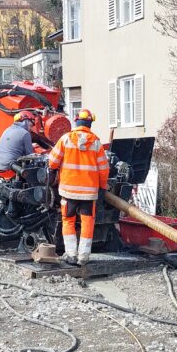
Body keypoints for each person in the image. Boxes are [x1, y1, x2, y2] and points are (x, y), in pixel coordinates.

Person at [47, 108, 109, 266]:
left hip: (68, 191)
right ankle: (83, 257)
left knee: (68, 220)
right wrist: (102, 188)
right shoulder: (96, 143)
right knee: (88, 223)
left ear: (76, 122)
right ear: (90, 124)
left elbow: (52, 162)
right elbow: (104, 169)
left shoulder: (66, 139)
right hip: (89, 194)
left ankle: (71, 254)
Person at [0, 111, 37, 178]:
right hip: (7, 170)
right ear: (25, 121)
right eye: (30, 125)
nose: (30, 128)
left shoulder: (7, 129)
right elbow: (30, 155)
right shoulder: (25, 133)